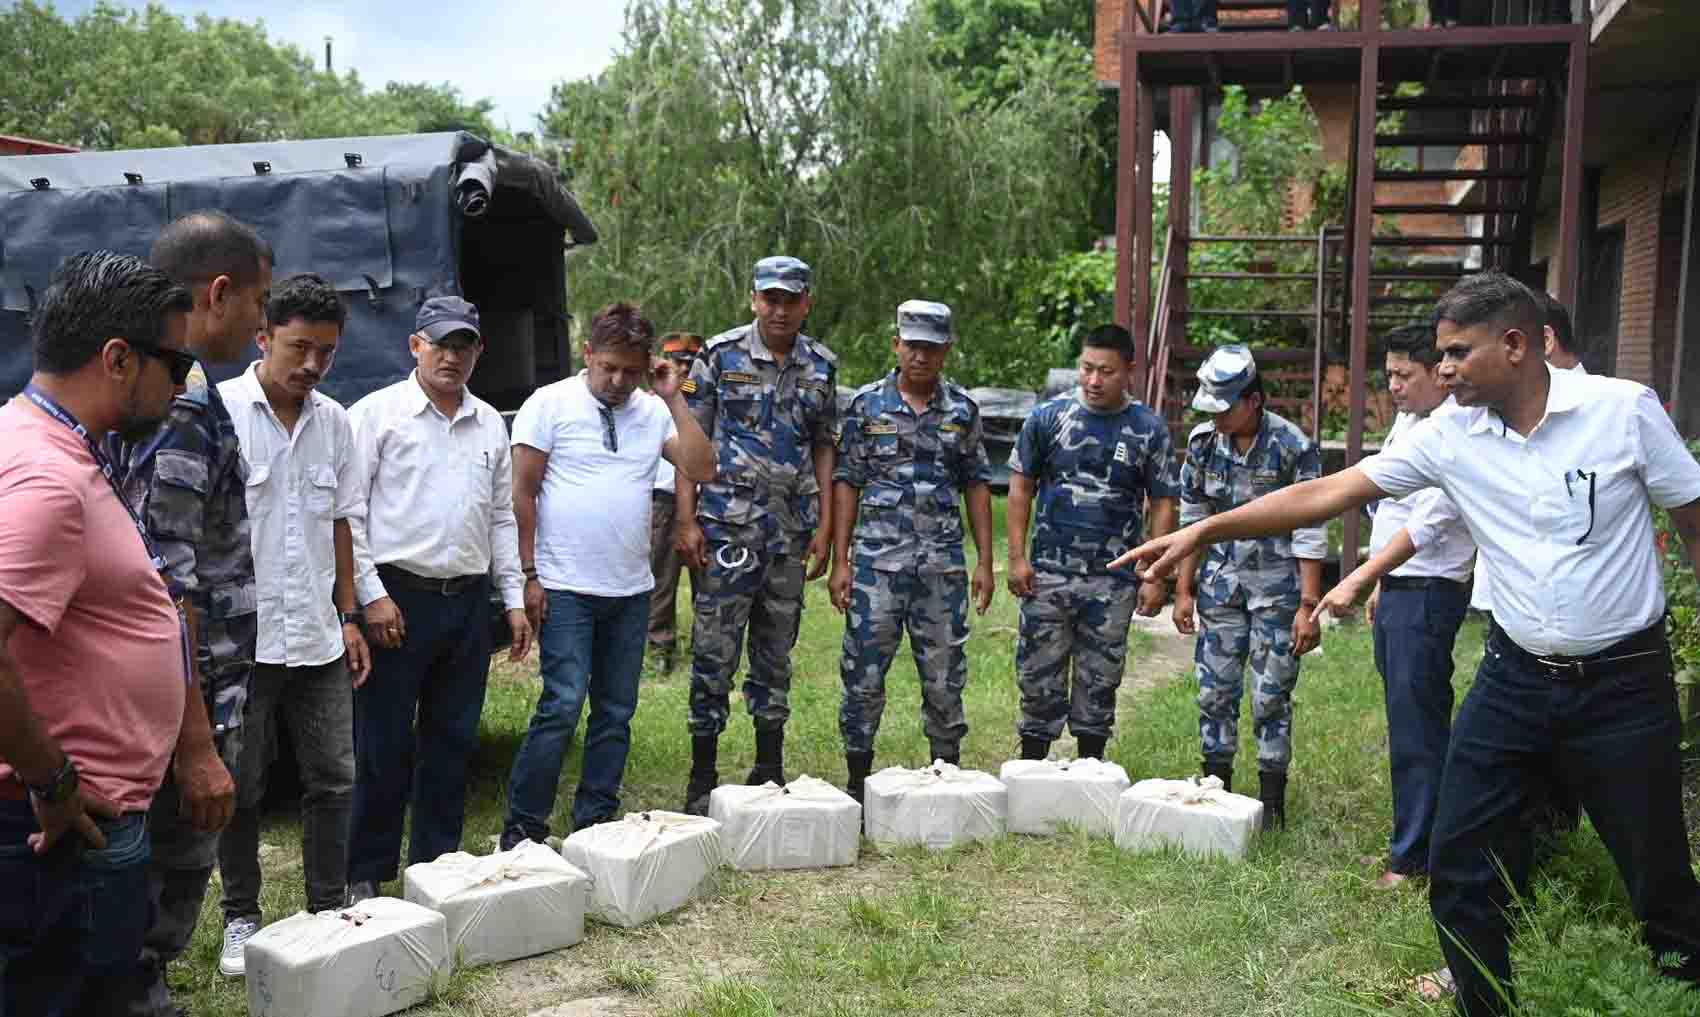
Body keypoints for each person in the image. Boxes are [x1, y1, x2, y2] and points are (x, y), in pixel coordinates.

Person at [1115, 271, 1700, 1017]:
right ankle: (1484, 1002)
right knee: (1459, 856)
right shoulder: (1448, 438)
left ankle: (1682, 984)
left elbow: (1691, 521)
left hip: (1623, 681)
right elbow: (1327, 492)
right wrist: (1204, 528)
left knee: (1657, 871)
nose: (1443, 367)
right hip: (1515, 677)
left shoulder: (1621, 412)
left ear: (1516, 344)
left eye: (1457, 352)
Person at [0, 251, 194, 1017]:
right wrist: (51, 780)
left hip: (78, 823)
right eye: (175, 363)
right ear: (118, 359)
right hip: (62, 835)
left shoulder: (42, 443)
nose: (183, 385)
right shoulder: (47, 480)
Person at [106, 212, 272, 1017]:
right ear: (217, 292)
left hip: (178, 694)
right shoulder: (182, 406)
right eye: (258, 301)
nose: (261, 321)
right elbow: (165, 583)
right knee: (156, 904)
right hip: (183, 699)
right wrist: (198, 742)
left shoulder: (158, 390)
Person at [500, 303, 713, 847]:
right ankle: (523, 828)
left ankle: (594, 823)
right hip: (566, 584)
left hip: (630, 588)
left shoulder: (653, 410)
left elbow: (702, 467)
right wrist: (528, 575)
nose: (618, 381)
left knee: (616, 711)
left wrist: (674, 399)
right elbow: (521, 495)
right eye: (608, 368)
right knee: (563, 704)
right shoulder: (549, 405)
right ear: (588, 355)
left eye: (631, 370)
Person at [343, 296, 532, 903]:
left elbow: (501, 516)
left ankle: (436, 867)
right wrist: (370, 597)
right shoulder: (377, 415)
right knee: (383, 743)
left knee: (452, 740)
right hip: (397, 599)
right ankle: (365, 874)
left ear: (479, 351)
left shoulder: (490, 423)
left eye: (464, 345)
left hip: (466, 601)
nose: (452, 356)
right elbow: (349, 515)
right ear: (415, 346)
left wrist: (513, 599)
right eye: (440, 343)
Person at [215, 274, 370, 976]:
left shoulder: (335, 422)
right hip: (240, 641)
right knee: (240, 786)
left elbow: (341, 522)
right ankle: (241, 915)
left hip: (316, 635)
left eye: (327, 353)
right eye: (299, 347)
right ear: (262, 337)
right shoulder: (218, 413)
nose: (312, 365)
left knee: (333, 776)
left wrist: (349, 614)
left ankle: (328, 906)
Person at [1313, 323, 1475, 890]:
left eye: (1406, 375)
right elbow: (1395, 515)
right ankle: (1416, 844)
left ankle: (1416, 861)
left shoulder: (1455, 430)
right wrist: (1384, 582)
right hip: (1402, 587)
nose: (1395, 387)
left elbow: (1429, 524)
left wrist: (1359, 577)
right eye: (1390, 376)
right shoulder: (1411, 421)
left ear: (1440, 373)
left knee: (1418, 731)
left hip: (1429, 592)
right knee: (1407, 723)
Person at [677, 257, 837, 814]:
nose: (779, 308)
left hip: (789, 532)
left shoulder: (821, 366)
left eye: (790, 299)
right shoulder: (720, 356)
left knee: (775, 650)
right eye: (770, 298)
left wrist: (827, 530)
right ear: (753, 300)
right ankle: (703, 773)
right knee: (714, 648)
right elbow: (688, 441)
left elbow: (824, 446)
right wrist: (686, 518)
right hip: (726, 526)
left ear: (806, 303)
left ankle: (769, 765)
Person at [830, 300, 995, 800]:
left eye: (931, 347)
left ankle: (945, 776)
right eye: (912, 345)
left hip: (941, 569)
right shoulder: (865, 406)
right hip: (876, 568)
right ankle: (857, 782)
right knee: (863, 677)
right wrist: (841, 561)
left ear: (946, 351)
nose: (920, 356)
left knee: (945, 679)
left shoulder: (962, 411)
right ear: (896, 344)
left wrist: (985, 562)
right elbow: (847, 481)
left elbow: (977, 484)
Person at [1005, 324, 1180, 761]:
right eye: (1086, 368)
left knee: (1099, 681)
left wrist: (1155, 574)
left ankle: (1090, 769)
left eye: (1106, 371)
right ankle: (1032, 769)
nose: (1094, 380)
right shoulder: (1048, 418)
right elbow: (1020, 487)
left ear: (1129, 372)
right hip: (1047, 575)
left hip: (1113, 579)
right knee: (1038, 677)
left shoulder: (1147, 429)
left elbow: (1163, 503)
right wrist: (1016, 558)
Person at [1176, 344, 1324, 829]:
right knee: (1214, 693)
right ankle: (1216, 792)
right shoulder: (1202, 446)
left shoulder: (1292, 446)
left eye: (1225, 408)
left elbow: (1310, 527)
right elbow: (1192, 522)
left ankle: (1270, 804)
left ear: (1253, 400)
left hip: (1277, 593)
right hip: (1221, 590)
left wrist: (1308, 604)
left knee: (1270, 696)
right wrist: (1184, 590)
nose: (1216, 418)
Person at [648, 331, 705, 674]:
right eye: (678, 360)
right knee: (661, 577)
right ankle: (660, 648)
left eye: (690, 360)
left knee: (707, 576)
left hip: (705, 500)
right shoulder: (651, 401)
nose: (684, 367)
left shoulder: (710, 398)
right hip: (663, 500)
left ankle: (706, 645)